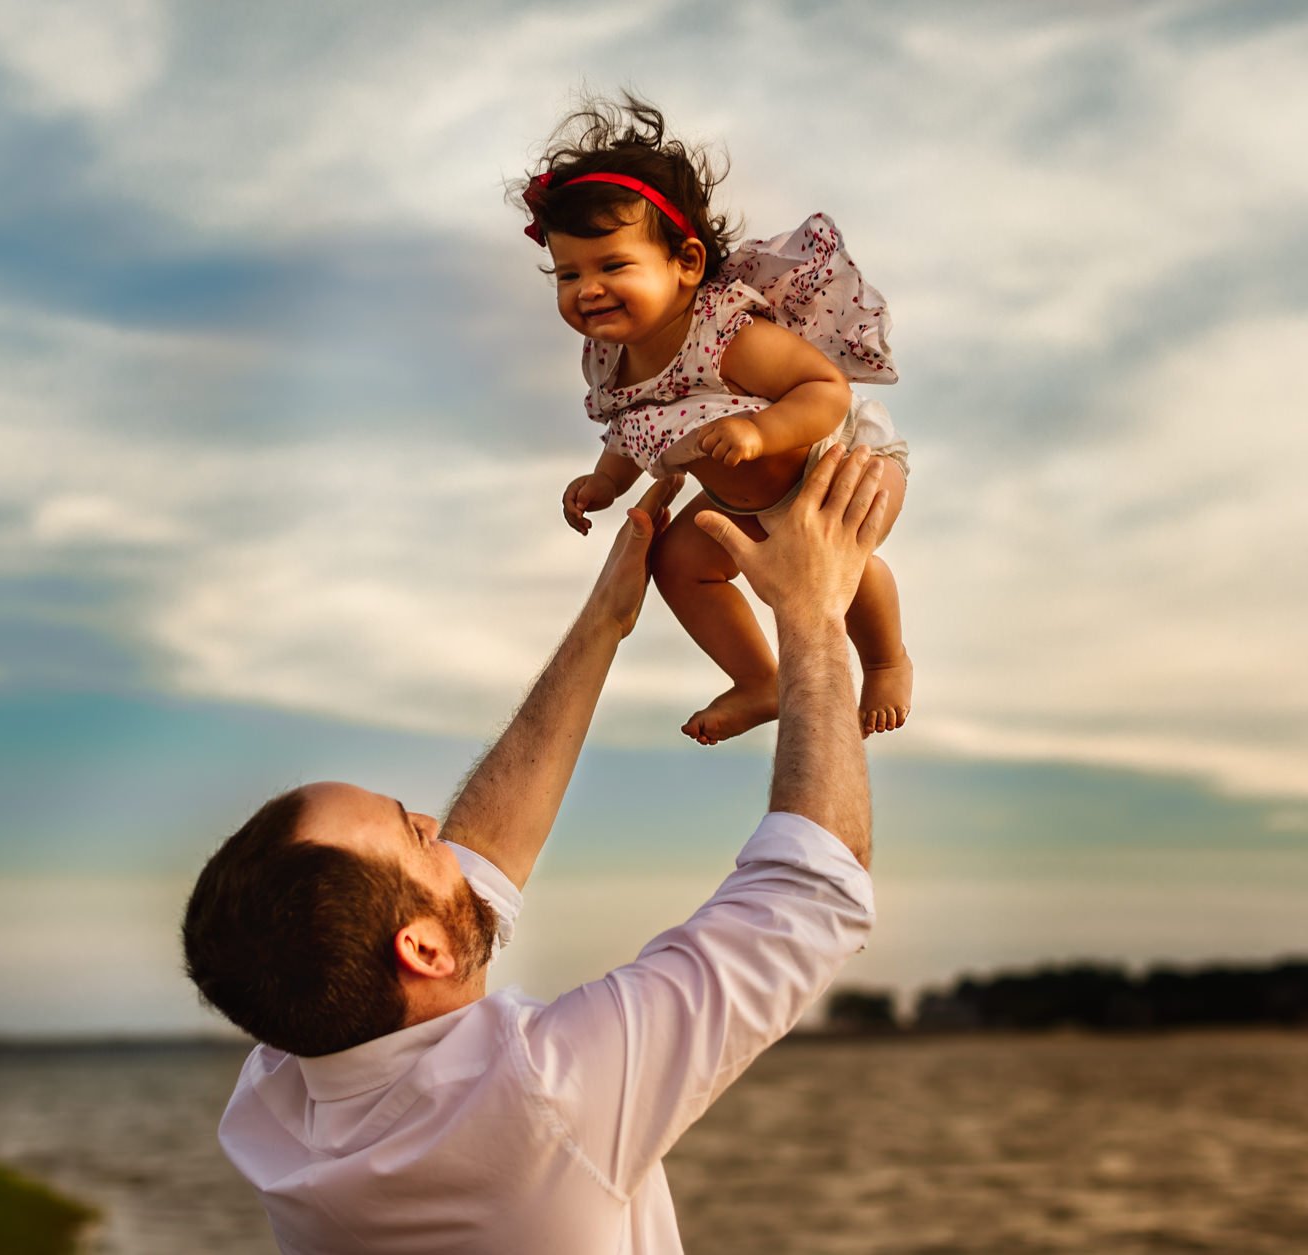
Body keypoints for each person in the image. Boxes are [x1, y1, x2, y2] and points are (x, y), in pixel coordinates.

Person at [183, 446, 896, 1254]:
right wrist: (812, 612)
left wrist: (604, 622)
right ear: (418, 948)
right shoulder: (544, 1100)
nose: (434, 821)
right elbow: (814, 889)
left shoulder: (284, 1100)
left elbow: (475, 858)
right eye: (415, 833)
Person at [518, 94, 913, 745]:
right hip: (743, 503)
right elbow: (630, 429)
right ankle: (759, 678)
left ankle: (886, 660)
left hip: (837, 470)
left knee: (845, 561)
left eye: (613, 265)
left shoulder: (725, 334)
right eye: (568, 273)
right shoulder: (610, 362)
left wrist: (762, 432)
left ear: (687, 265)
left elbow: (827, 390)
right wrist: (605, 482)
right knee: (678, 563)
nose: (587, 287)